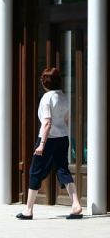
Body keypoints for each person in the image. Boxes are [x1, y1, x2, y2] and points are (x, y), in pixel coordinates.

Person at [16, 67, 82, 220]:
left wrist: (41, 144)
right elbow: (65, 119)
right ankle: (76, 204)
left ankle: (28, 210)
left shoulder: (47, 98)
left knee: (35, 171)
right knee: (62, 169)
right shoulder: (63, 97)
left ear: (45, 82)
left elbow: (47, 122)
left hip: (48, 139)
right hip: (62, 137)